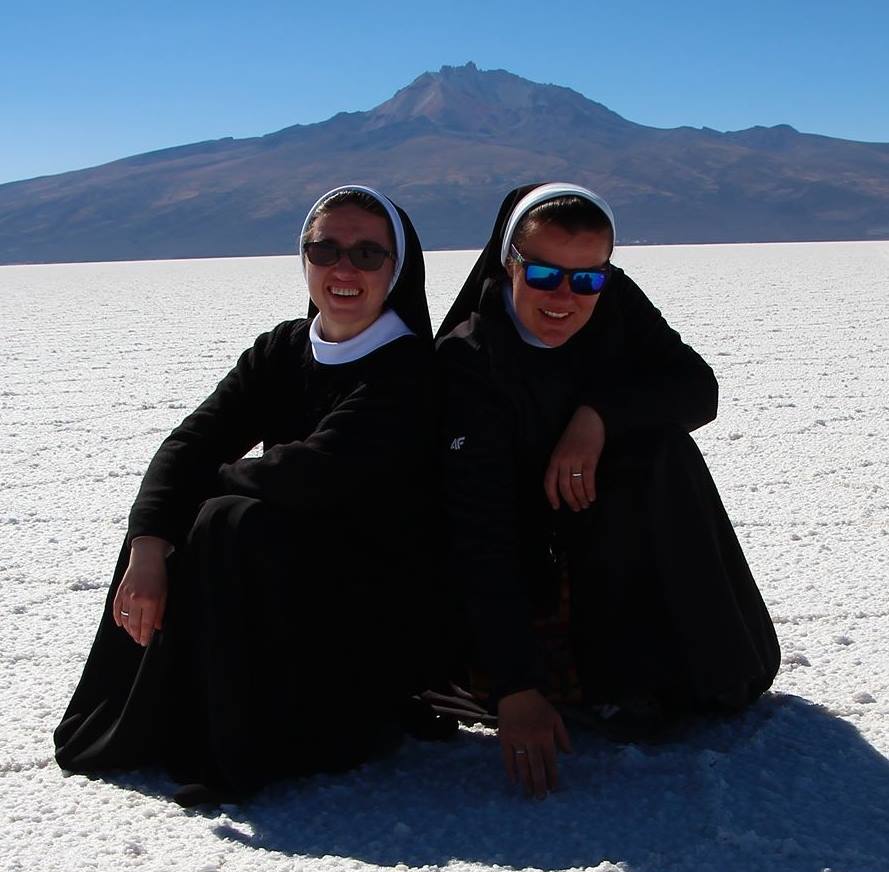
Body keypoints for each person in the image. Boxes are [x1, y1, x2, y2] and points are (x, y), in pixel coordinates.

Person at [54, 184, 445, 805]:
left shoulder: (411, 369)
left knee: (229, 520)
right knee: (172, 520)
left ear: (397, 269)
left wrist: (202, 487)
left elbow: (311, 473)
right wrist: (149, 546)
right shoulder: (282, 348)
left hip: (366, 607)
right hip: (280, 573)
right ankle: (173, 721)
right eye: (325, 250)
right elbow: (192, 442)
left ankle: (279, 736)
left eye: (368, 254)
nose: (344, 269)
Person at [435, 182, 781, 799]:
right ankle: (596, 676)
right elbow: (478, 530)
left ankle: (678, 663)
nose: (566, 297)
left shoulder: (615, 302)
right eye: (544, 275)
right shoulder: (470, 361)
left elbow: (696, 387)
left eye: (588, 279)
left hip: (602, 536)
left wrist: (597, 417)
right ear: (509, 263)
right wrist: (516, 687)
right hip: (525, 559)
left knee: (660, 450)